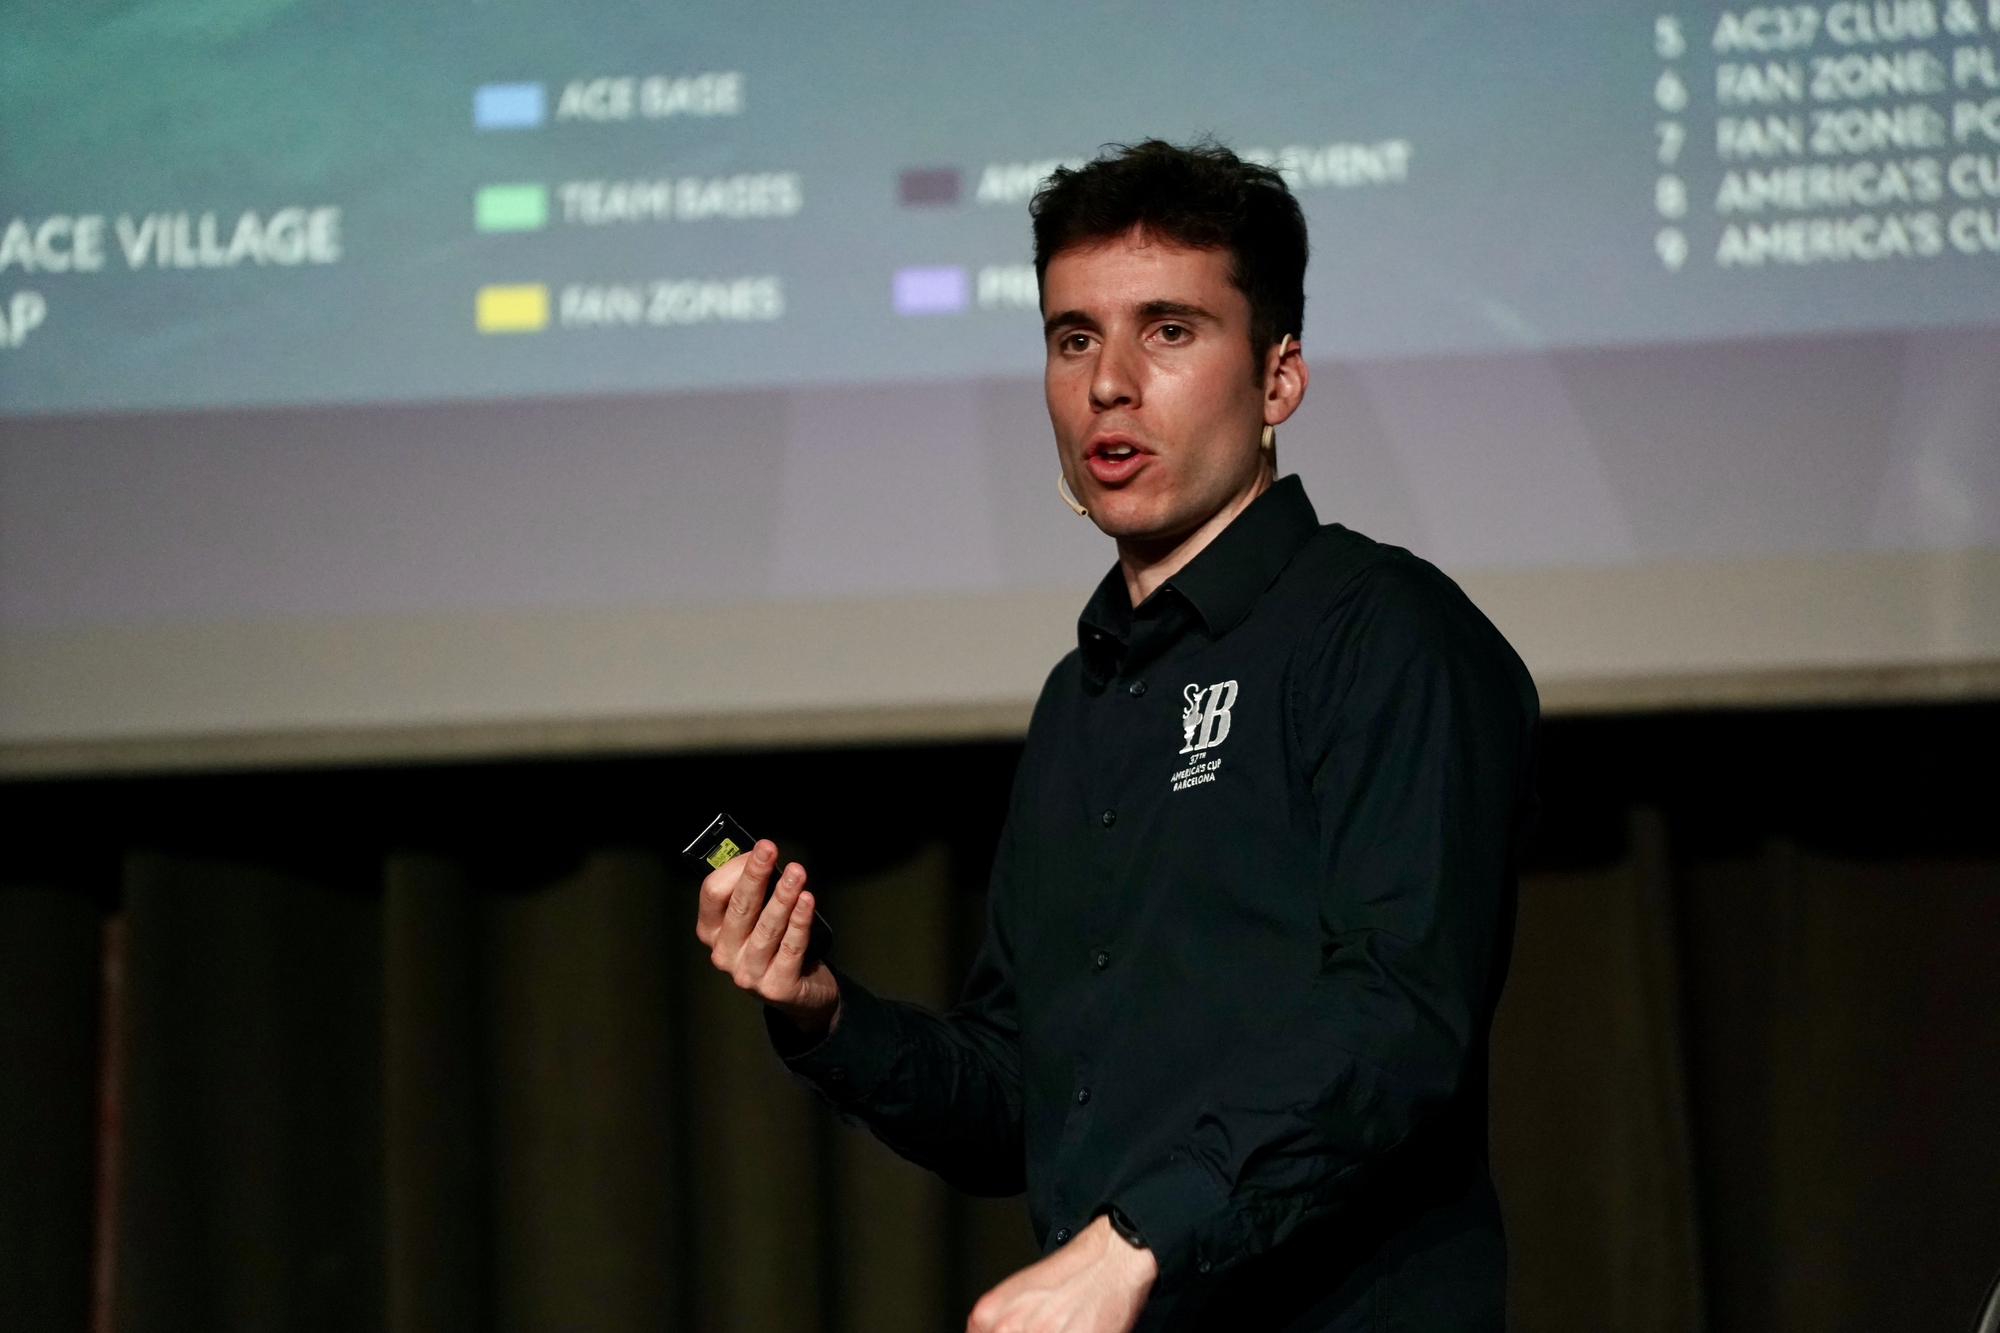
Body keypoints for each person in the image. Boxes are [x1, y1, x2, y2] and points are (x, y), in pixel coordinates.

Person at [695, 139, 1538, 1332]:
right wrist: (824, 1012)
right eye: (1073, 338)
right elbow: (1022, 1098)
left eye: (1169, 331)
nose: (1108, 384)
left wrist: (1136, 1240)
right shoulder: (1079, 700)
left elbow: (1398, 1019)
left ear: (1279, 377)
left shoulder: (1381, 630)